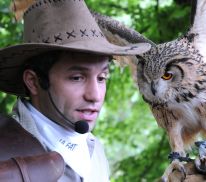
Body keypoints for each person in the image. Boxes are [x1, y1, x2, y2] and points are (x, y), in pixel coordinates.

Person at [0, 0, 151, 181]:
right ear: (33, 81)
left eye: (102, 78)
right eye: (77, 78)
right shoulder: (5, 152)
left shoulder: (95, 150)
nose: (94, 96)